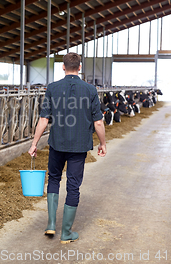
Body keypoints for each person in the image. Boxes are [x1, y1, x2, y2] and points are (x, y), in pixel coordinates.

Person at [28, 52, 107, 244]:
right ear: (79, 68)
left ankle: (51, 224)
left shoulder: (53, 88)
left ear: (63, 67)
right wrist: (103, 143)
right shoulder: (90, 90)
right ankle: (66, 233)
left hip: (57, 144)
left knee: (54, 178)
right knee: (73, 186)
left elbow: (44, 119)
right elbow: (98, 122)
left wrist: (34, 143)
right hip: (78, 147)